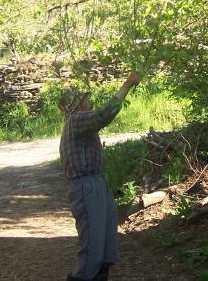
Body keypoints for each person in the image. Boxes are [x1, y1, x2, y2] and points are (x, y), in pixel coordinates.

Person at [59, 71, 142, 281]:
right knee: (92, 247)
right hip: (86, 187)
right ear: (77, 105)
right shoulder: (76, 120)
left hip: (96, 184)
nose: (90, 102)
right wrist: (127, 84)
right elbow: (105, 114)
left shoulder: (79, 123)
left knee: (106, 245)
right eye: (85, 99)